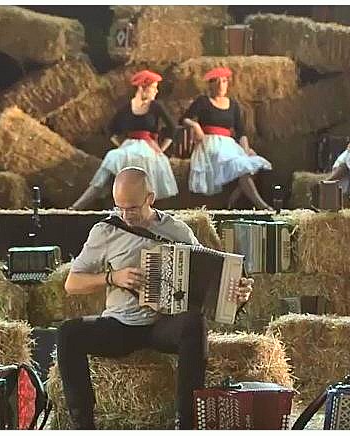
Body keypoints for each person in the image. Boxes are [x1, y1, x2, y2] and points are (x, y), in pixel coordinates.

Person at [57, 167, 254, 429]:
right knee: (68, 333)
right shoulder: (105, 231)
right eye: (119, 207)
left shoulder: (177, 230)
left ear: (150, 198)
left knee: (194, 323)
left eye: (132, 208)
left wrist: (238, 295)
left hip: (163, 326)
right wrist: (112, 278)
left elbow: (207, 279)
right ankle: (83, 426)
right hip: (121, 326)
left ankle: (187, 424)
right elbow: (72, 284)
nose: (125, 216)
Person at [70, 70, 178, 210]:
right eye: (153, 87)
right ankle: (78, 206)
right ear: (142, 88)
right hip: (129, 146)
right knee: (112, 158)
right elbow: (110, 128)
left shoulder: (156, 106)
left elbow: (172, 127)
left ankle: (144, 210)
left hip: (148, 148)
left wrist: (161, 149)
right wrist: (121, 145)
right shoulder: (127, 107)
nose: (156, 91)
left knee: (142, 169)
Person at [181, 67, 272, 209]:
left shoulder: (233, 104)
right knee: (242, 166)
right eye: (217, 82)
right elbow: (184, 119)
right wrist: (195, 125)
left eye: (224, 82)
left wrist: (246, 149)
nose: (221, 85)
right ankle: (261, 205)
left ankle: (235, 197)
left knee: (251, 162)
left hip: (229, 144)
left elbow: (241, 131)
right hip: (211, 144)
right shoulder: (203, 101)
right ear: (210, 85)